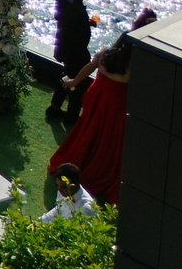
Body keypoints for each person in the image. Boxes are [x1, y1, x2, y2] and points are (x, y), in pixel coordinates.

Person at [51, 37, 136, 203]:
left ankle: (79, 163)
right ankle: (97, 171)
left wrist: (74, 81)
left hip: (96, 101)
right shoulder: (132, 67)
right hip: (115, 108)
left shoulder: (105, 55)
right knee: (108, 141)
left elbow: (89, 68)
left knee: (87, 132)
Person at [49, 0, 95, 119]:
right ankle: (71, 115)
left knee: (67, 76)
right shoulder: (67, 0)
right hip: (73, 49)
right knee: (79, 81)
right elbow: (65, 20)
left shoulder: (73, 2)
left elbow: (70, 21)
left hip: (71, 48)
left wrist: (87, 23)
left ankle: (55, 108)